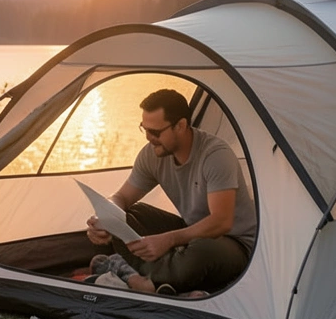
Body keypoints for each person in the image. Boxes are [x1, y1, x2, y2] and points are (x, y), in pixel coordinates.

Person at [85, 89, 256, 295]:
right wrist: (104, 217)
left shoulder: (216, 156)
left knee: (201, 252)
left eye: (155, 132)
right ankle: (165, 282)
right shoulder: (152, 154)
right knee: (128, 215)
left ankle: (131, 275)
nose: (149, 138)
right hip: (189, 233)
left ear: (181, 125)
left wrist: (169, 240)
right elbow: (121, 197)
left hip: (233, 245)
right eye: (144, 129)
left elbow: (221, 221)